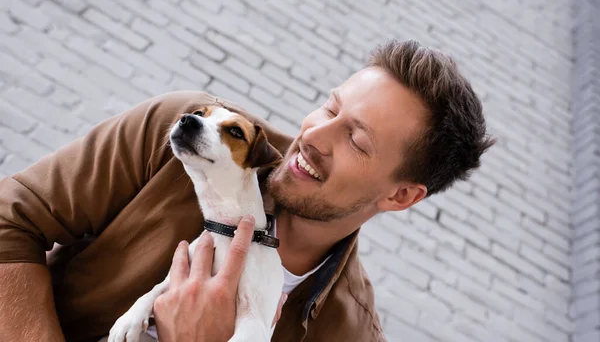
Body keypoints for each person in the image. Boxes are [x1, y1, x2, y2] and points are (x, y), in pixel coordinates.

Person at [0, 39, 494, 342]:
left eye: (356, 140)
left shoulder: (349, 335)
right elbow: (9, 221)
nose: (314, 136)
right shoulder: (186, 132)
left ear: (401, 196)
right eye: (329, 107)